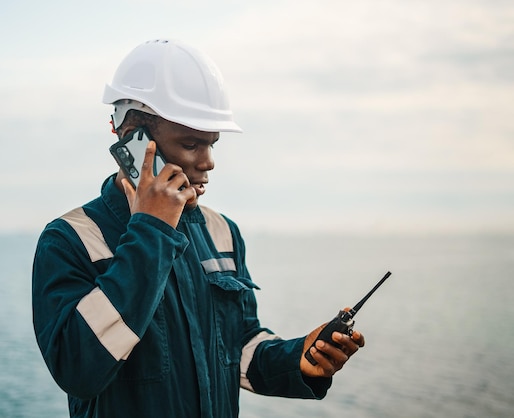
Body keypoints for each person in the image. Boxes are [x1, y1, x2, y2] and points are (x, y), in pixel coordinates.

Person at [32, 39, 365, 418]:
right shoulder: (70, 239)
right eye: (191, 143)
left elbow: (238, 347)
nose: (208, 162)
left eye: (212, 144)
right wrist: (152, 229)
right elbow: (78, 370)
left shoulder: (222, 232)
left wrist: (298, 359)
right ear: (134, 141)